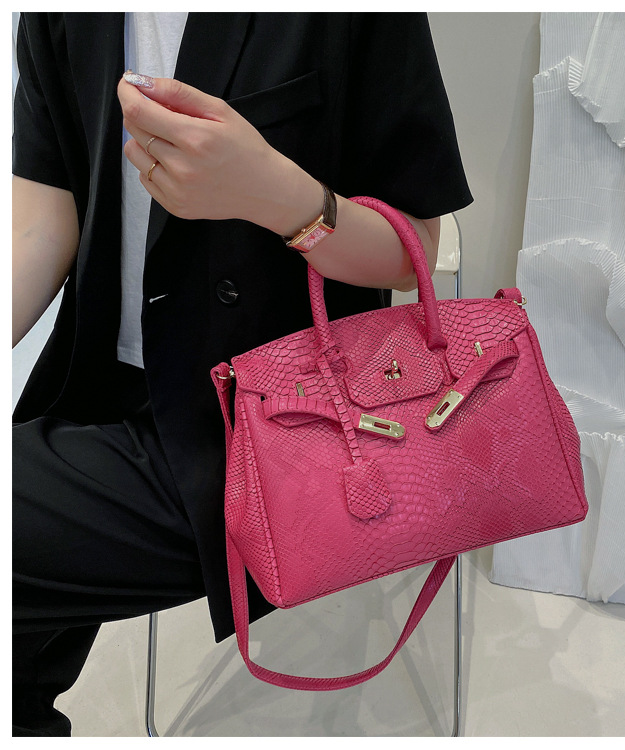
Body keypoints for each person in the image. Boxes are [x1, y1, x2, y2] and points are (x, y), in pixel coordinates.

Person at [12, 12, 473, 736]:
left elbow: (412, 247)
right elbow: (45, 215)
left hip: (266, 429)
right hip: (97, 389)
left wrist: (274, 195)